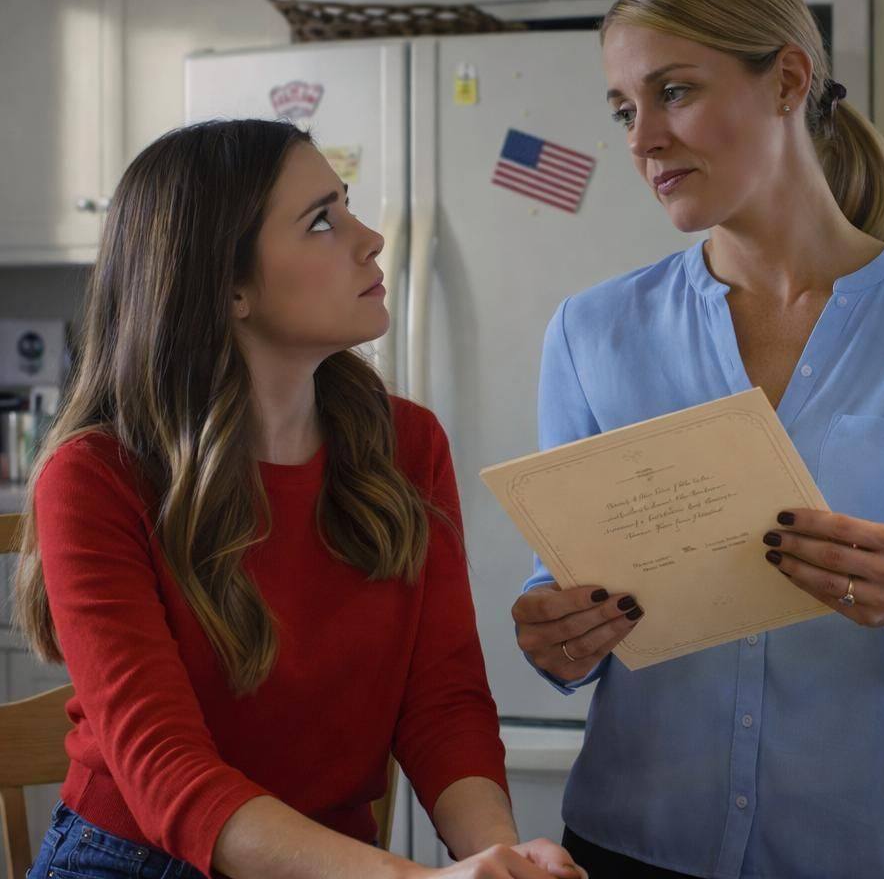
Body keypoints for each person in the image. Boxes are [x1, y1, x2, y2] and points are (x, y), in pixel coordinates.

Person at [512, 0, 884, 879]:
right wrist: (557, 633)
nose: (643, 139)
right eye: (625, 110)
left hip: (876, 856)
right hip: (630, 850)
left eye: (673, 92)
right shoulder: (590, 334)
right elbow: (569, 594)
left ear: (788, 80)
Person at [15, 120, 583, 879]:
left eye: (347, 206)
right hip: (135, 861)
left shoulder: (407, 445)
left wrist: (496, 853)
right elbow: (167, 770)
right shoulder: (94, 477)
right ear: (228, 287)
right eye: (322, 221)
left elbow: (442, 701)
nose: (372, 239)